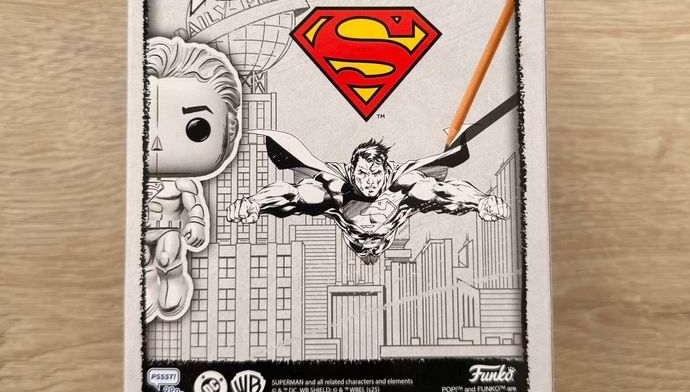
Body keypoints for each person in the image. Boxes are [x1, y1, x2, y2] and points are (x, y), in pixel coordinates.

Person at [228, 132, 508, 264]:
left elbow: (443, 191)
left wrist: (481, 201)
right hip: (355, 239)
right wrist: (254, 204)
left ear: (387, 170)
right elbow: (292, 195)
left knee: (425, 189)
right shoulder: (336, 187)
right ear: (352, 171)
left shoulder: (403, 183)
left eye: (376, 174)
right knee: (312, 196)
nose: (370, 182)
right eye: (362, 174)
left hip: (386, 235)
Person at [145, 36, 241, 322]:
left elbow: (194, 205)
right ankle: (146, 284)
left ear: (230, 130)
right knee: (140, 259)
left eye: (196, 128)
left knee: (167, 256)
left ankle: (173, 279)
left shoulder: (183, 183)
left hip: (169, 229)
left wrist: (197, 223)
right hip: (138, 231)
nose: (157, 144)